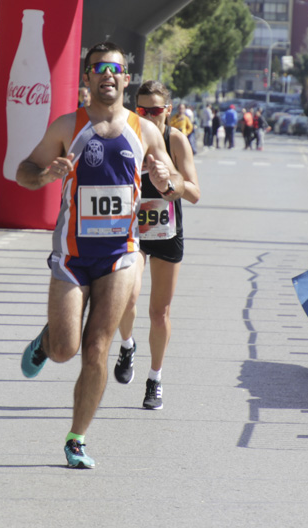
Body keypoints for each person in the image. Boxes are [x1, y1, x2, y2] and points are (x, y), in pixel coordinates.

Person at [16, 42, 182, 469]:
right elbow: (23, 171)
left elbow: (172, 185)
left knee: (97, 348)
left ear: (126, 79)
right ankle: (48, 339)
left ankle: (77, 438)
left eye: (117, 69)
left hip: (121, 255)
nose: (108, 75)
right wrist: (46, 175)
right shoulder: (67, 126)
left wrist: (167, 180)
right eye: (99, 68)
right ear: (86, 78)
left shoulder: (144, 131)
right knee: (65, 349)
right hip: (72, 256)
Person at [113, 81, 200, 409]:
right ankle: (126, 345)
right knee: (127, 296)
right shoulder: (126, 135)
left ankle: (155, 378)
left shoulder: (175, 140)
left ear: (168, 109)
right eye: (142, 110)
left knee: (159, 311)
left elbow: (194, 192)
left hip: (166, 231)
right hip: (132, 228)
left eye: (155, 110)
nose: (149, 116)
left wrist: (170, 180)